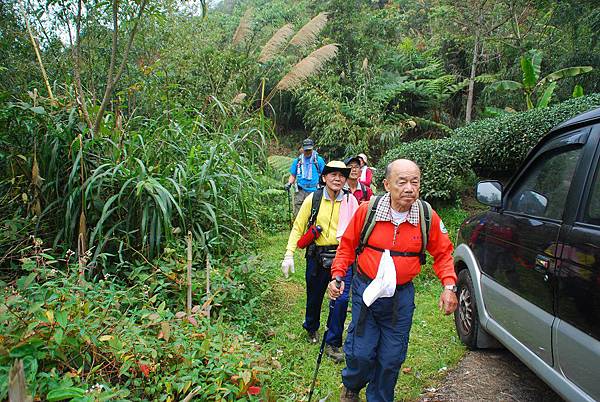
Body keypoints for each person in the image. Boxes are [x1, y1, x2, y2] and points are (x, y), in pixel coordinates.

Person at [327, 159, 458, 402]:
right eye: (402, 182)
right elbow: (346, 246)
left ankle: (379, 398)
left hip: (400, 297)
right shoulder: (369, 210)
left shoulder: (426, 216)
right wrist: (337, 275)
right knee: (361, 352)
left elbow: (443, 253)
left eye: (415, 182)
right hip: (367, 289)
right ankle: (352, 385)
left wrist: (449, 285)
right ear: (387, 184)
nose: (409, 188)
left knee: (391, 357)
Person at [281, 161, 359, 363]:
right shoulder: (313, 199)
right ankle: (311, 326)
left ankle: (333, 342)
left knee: (340, 301)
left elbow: (359, 230)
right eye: (332, 174)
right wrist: (289, 253)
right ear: (324, 178)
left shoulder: (351, 202)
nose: (338, 178)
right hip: (317, 256)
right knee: (314, 296)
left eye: (342, 175)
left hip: (342, 257)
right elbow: (298, 227)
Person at [285, 138, 326, 216]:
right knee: (298, 212)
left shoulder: (318, 160)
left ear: (312, 148)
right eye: (306, 150)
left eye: (309, 150)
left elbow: (325, 174)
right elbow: (293, 175)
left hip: (315, 190)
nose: (307, 152)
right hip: (300, 190)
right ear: (302, 149)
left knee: (314, 211)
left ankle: (311, 227)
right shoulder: (298, 161)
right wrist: (289, 183)